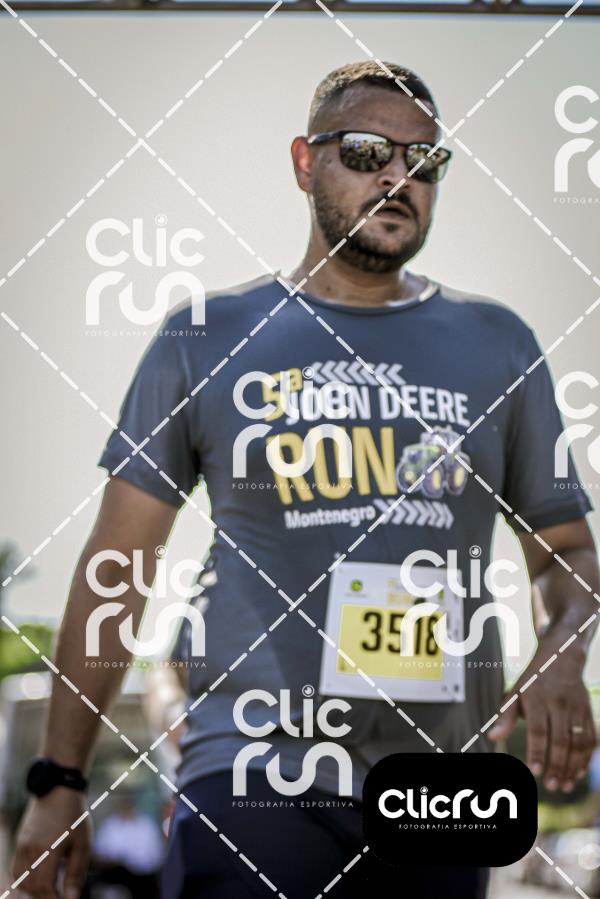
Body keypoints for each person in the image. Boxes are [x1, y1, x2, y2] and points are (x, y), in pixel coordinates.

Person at [12, 61, 600, 899]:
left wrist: (562, 652)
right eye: (365, 151)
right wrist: (57, 776)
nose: (397, 177)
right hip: (254, 766)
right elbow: (119, 566)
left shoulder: (499, 343)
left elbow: (567, 551)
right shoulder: (206, 337)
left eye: (424, 160)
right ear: (303, 162)